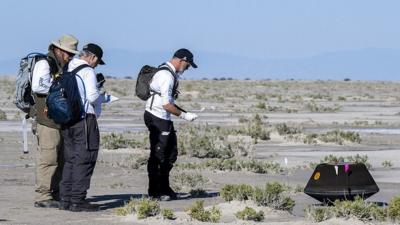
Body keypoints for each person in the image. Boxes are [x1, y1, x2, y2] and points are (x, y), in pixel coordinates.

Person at [31, 34, 79, 208]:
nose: (70, 57)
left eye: (72, 54)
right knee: (48, 158)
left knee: (61, 159)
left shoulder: (62, 66)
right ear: (58, 50)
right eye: (69, 53)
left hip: (60, 119)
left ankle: (56, 193)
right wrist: (60, 87)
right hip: (46, 121)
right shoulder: (45, 63)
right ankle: (43, 196)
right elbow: (38, 86)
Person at [144, 48, 199, 200]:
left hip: (163, 118)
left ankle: (164, 187)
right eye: (188, 65)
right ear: (182, 60)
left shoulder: (169, 72)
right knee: (158, 155)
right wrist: (184, 115)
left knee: (171, 153)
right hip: (157, 117)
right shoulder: (166, 75)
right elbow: (167, 105)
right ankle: (155, 192)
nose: (187, 69)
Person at [59, 43, 106, 212]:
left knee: (70, 158)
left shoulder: (67, 66)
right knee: (85, 157)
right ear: (93, 57)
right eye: (97, 61)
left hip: (67, 119)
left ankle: (65, 198)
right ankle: (77, 200)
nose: (95, 65)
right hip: (84, 118)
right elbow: (92, 96)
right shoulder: (87, 71)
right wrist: (104, 97)